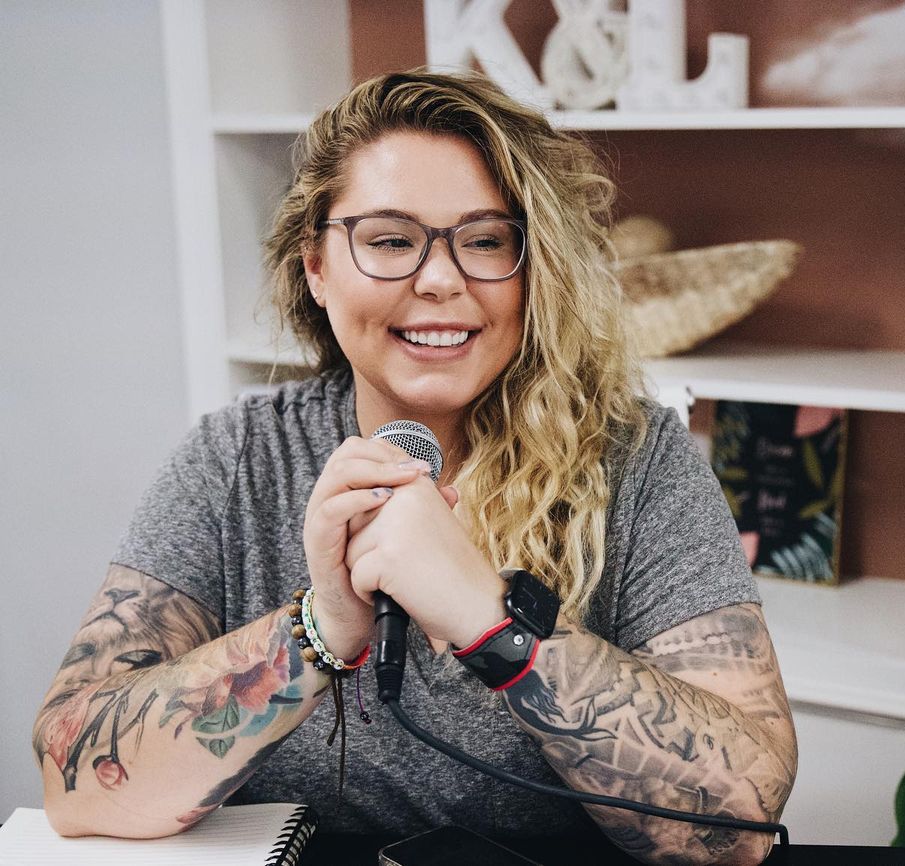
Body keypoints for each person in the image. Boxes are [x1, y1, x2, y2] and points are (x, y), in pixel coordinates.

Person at [32, 70, 797, 865]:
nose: (439, 279)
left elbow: (740, 824)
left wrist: (492, 623)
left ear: (535, 270)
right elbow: (74, 780)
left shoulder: (637, 459)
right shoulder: (236, 460)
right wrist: (321, 630)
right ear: (316, 267)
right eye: (391, 240)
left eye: (487, 240)